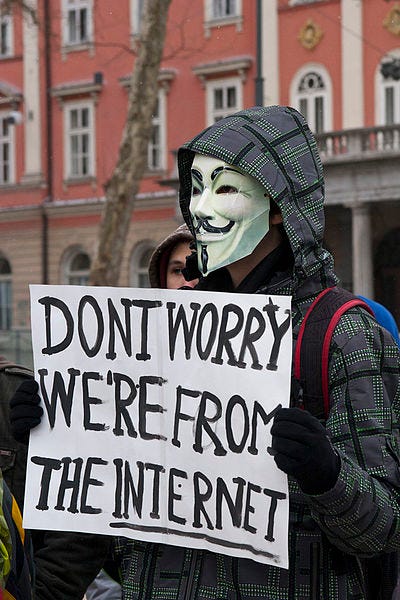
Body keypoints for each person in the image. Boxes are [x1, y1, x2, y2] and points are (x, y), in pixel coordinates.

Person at [10, 105, 400, 599]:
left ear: (281, 206)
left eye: (225, 189)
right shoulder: (160, 335)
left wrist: (327, 474)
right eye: (196, 189)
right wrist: (58, 439)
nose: (201, 208)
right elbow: (121, 530)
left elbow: (385, 527)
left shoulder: (344, 335)